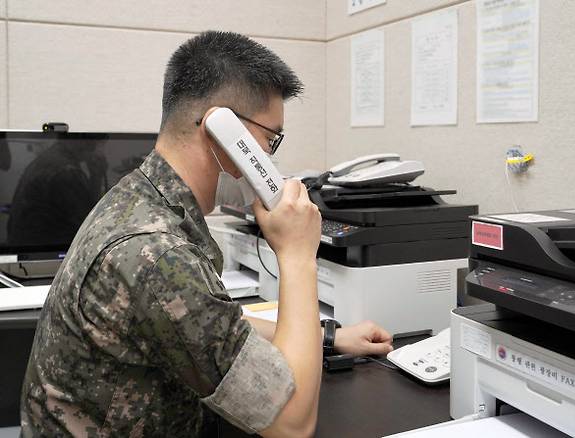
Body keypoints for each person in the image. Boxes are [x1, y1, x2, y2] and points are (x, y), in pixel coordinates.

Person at [20, 31, 393, 437]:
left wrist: (330, 337)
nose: (269, 158)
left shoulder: (139, 197)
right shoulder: (157, 252)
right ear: (224, 132)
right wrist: (298, 254)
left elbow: (216, 326)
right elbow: (292, 423)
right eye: (270, 140)